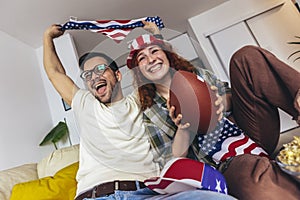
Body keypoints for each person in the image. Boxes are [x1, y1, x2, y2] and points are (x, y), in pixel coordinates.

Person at [43, 24, 236, 200]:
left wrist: (156, 35)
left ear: (117, 75)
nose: (95, 77)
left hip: (146, 193)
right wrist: (47, 37)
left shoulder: (143, 102)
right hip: (95, 195)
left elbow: (158, 70)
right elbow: (55, 73)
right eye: (88, 75)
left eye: (101, 69)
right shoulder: (85, 104)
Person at [126, 33, 300, 200]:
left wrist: (220, 102)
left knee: (245, 57)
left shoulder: (198, 74)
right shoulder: (150, 113)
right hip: (225, 160)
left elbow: (235, 96)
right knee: (259, 186)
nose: (151, 59)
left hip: (250, 128)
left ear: (166, 54)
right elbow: (171, 161)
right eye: (142, 58)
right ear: (138, 71)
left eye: (154, 51)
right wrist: (184, 128)